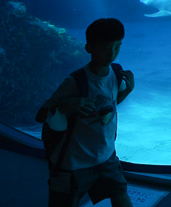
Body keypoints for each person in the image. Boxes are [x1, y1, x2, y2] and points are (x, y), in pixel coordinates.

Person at [39, 18, 136, 207]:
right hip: (72, 162)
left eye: (117, 47)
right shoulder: (76, 82)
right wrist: (68, 104)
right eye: (105, 48)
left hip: (106, 155)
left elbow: (108, 107)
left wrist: (126, 91)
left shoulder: (115, 73)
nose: (112, 54)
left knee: (119, 193)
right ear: (89, 48)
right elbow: (43, 113)